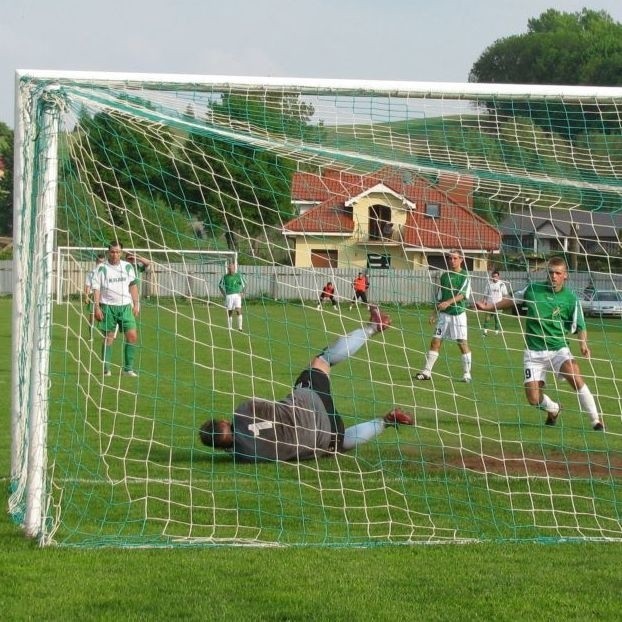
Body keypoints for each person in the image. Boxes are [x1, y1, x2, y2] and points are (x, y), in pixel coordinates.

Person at [199, 306, 414, 462]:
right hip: (311, 403)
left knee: (337, 445)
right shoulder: (242, 411)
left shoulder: (243, 456)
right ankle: (372, 328)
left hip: (324, 438)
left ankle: (386, 421)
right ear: (225, 421)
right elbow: (270, 407)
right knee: (322, 361)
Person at [475, 256, 604, 431]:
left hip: (559, 349)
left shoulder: (571, 299)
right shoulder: (533, 290)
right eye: (550, 272)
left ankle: (596, 421)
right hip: (533, 352)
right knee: (533, 399)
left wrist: (583, 344)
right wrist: (488, 307)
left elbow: (581, 326)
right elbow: (512, 300)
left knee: (575, 376)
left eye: (558, 273)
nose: (554, 276)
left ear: (565, 275)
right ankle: (554, 409)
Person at [414, 249, 472, 383]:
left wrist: (449, 302)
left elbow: (463, 295)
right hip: (444, 316)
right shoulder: (444, 276)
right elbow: (440, 296)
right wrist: (434, 313)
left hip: (458, 315)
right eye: (450, 258)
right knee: (435, 341)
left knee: (462, 344)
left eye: (455, 258)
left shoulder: (465, 276)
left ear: (461, 259)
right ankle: (427, 372)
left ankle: (467, 373)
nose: (452, 261)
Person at [92, 240, 140, 377]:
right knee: (109, 338)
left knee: (132, 336)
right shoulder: (101, 268)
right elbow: (96, 289)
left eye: (118, 252)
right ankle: (106, 369)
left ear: (121, 253)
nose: (115, 254)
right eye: (112, 252)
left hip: (125, 307)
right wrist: (97, 307)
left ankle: (128, 369)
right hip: (108, 307)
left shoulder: (127, 267)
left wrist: (136, 304)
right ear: (108, 252)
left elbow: (133, 286)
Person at [218, 262, 246, 331]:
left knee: (238, 310)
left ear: (234, 268)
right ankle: (230, 327)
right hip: (229, 296)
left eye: (231, 268)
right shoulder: (225, 277)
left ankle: (240, 327)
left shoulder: (238, 276)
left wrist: (242, 292)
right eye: (229, 268)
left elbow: (245, 284)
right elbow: (220, 286)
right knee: (230, 311)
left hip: (237, 295)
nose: (230, 269)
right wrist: (224, 294)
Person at [84, 253, 106, 339]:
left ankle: (105, 335)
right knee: (92, 317)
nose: (101, 264)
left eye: (103, 262)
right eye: (99, 262)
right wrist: (86, 296)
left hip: (105, 297)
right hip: (94, 297)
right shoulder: (91, 272)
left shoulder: (107, 271)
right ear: (96, 262)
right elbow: (87, 285)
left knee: (105, 317)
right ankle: (91, 336)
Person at [481, 270, 508, 335]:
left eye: (496, 276)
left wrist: (504, 303)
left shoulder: (502, 284)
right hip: (490, 304)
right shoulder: (489, 283)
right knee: (487, 318)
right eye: (493, 276)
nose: (494, 278)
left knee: (497, 319)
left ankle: (496, 332)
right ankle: (485, 332)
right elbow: (485, 294)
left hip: (498, 305)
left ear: (498, 277)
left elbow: (505, 295)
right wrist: (484, 301)